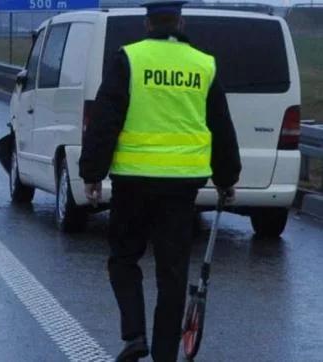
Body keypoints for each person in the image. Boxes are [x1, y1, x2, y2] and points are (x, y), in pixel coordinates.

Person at [79, 1, 242, 361]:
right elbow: (220, 126)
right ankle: (165, 355)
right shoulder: (204, 65)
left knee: (123, 258)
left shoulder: (129, 59)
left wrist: (92, 172)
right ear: (181, 22)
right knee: (172, 274)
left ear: (147, 23)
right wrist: (227, 178)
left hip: (133, 183)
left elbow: (106, 120)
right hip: (182, 187)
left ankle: (134, 334)